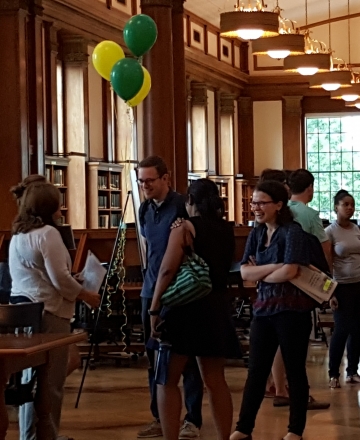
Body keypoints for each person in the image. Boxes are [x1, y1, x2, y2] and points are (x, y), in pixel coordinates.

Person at [149, 178, 240, 440]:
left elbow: (167, 270)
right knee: (215, 380)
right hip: (216, 308)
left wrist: (155, 308)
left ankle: (170, 438)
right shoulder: (226, 229)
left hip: (184, 309)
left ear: (190, 201)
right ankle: (225, 436)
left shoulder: (185, 228)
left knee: (167, 378)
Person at [9, 182, 101, 440]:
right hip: (49, 314)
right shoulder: (48, 234)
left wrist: (73, 280)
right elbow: (59, 279)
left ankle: (30, 435)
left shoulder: (18, 235)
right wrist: (86, 295)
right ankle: (46, 435)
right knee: (51, 384)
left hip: (25, 313)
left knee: (32, 381)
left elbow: (39, 276)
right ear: (51, 208)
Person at [230, 180, 315, 440]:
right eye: (253, 202)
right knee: (256, 371)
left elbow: (291, 271)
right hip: (263, 311)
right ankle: (244, 428)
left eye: (261, 202)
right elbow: (244, 271)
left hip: (292, 312)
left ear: (278, 205)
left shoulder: (293, 232)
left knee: (295, 370)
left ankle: (295, 430)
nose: (255, 207)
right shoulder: (256, 234)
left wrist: (263, 272)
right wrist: (274, 267)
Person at [137, 156, 204, 439]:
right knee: (154, 358)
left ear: (166, 178)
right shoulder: (144, 209)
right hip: (149, 289)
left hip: (178, 292)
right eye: (141, 181)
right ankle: (160, 417)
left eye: (150, 180)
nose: (145, 186)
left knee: (185, 362)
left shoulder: (181, 206)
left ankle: (192, 419)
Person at [326, 190, 360, 388]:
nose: (349, 208)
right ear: (336, 207)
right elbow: (327, 263)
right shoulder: (330, 232)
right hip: (341, 287)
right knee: (342, 330)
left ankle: (352, 371)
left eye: (352, 204)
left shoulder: (356, 229)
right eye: (345, 204)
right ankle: (333, 373)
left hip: (358, 284)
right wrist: (330, 292)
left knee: (358, 330)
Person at [288, 169, 331, 267]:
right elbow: (324, 248)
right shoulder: (311, 215)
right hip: (305, 269)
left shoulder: (278, 209)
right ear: (310, 187)